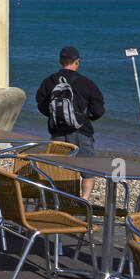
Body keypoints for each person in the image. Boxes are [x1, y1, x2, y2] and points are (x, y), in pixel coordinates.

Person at [35, 46, 103, 201]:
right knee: (88, 170)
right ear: (77, 62)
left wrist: (56, 116)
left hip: (57, 131)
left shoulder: (49, 81)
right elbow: (98, 110)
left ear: (60, 61)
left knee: (58, 169)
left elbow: (41, 104)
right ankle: (84, 200)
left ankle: (59, 199)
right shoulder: (87, 83)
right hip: (82, 132)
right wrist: (86, 118)